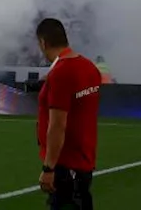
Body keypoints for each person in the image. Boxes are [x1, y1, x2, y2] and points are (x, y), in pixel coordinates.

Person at [35, 17, 101, 210]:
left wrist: (48, 168)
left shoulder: (62, 72)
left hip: (65, 166)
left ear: (43, 42)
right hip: (84, 161)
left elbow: (57, 124)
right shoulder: (90, 68)